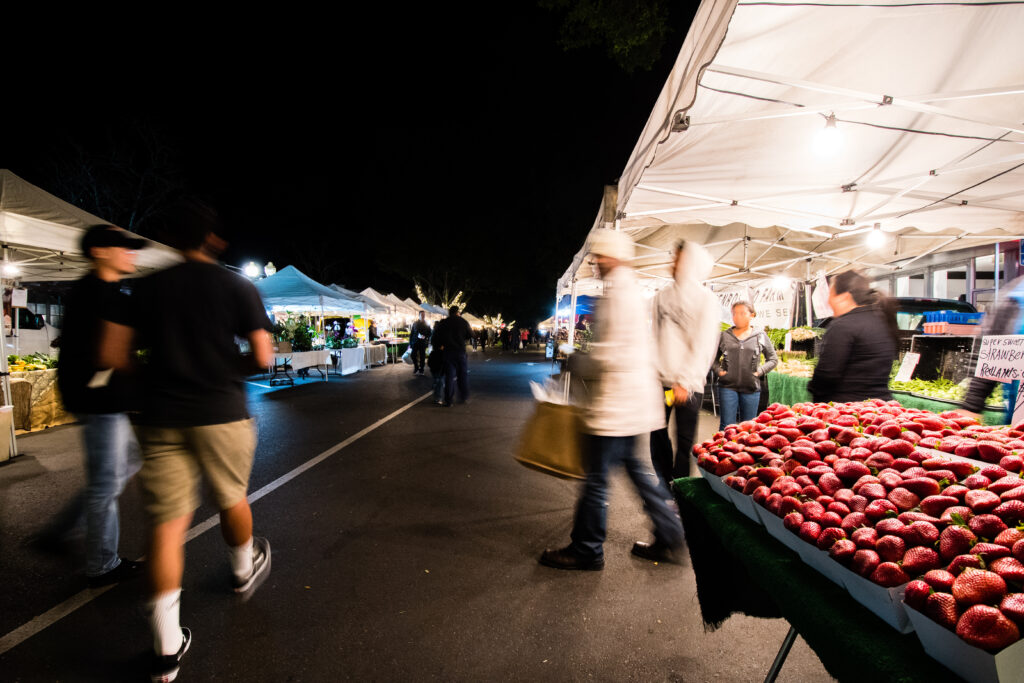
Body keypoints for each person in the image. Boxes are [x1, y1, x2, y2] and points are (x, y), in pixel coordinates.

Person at [100, 197, 273, 683]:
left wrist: (158, 377)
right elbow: (262, 355)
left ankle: (165, 649)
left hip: (159, 415)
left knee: (167, 526)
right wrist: (219, 371)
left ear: (170, 240)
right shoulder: (236, 286)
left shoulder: (145, 289)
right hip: (220, 412)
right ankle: (242, 569)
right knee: (231, 497)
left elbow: (114, 354)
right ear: (212, 239)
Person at [540, 229, 684, 570]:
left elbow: (615, 352)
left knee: (595, 478)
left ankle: (587, 549)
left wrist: (575, 359)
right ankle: (670, 533)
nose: (595, 262)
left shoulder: (619, 292)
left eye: (600, 256)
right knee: (637, 472)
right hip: (631, 404)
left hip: (617, 405)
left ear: (614, 257)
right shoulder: (628, 288)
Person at [48, 225, 146, 587]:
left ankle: (63, 530)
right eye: (126, 248)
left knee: (124, 465)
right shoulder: (100, 293)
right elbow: (112, 354)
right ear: (101, 251)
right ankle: (102, 563)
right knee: (106, 482)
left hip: (96, 397)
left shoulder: (95, 289)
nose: (133, 254)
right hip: (98, 400)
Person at [649, 240, 720, 489]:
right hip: (664, 384)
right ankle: (664, 481)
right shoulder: (661, 296)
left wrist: (686, 381)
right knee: (657, 432)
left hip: (687, 387)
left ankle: (679, 488)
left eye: (679, 259)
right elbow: (654, 337)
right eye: (673, 259)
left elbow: (704, 344)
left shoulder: (706, 300)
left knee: (684, 439)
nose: (673, 264)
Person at [807, 269, 899, 403]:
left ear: (845, 297)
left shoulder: (842, 326)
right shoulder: (882, 321)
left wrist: (813, 389)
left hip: (848, 411)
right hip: (881, 408)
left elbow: (826, 376)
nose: (828, 302)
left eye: (830, 295)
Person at [713, 301, 779, 430]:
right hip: (727, 387)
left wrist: (759, 371)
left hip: (751, 388)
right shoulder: (724, 336)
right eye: (734, 314)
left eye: (742, 313)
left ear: (752, 315)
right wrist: (719, 371)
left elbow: (773, 359)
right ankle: (723, 449)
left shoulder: (760, 336)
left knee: (748, 428)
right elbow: (711, 359)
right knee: (727, 427)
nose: (737, 317)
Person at [431, 306, 473, 406]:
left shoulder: (444, 323)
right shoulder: (463, 322)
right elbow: (471, 334)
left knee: (449, 377)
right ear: (457, 312)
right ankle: (464, 396)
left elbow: (436, 337)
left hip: (448, 352)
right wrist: (462, 337)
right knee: (462, 375)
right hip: (460, 352)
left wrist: (441, 345)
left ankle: (449, 400)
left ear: (449, 313)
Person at [410, 311, 431, 376]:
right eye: (422, 315)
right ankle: (416, 367)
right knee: (413, 355)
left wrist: (425, 336)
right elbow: (412, 333)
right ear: (419, 315)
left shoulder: (427, 324)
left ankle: (421, 369)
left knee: (422, 357)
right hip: (415, 342)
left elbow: (429, 333)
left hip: (422, 342)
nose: (423, 316)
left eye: (424, 315)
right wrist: (410, 343)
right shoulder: (415, 323)